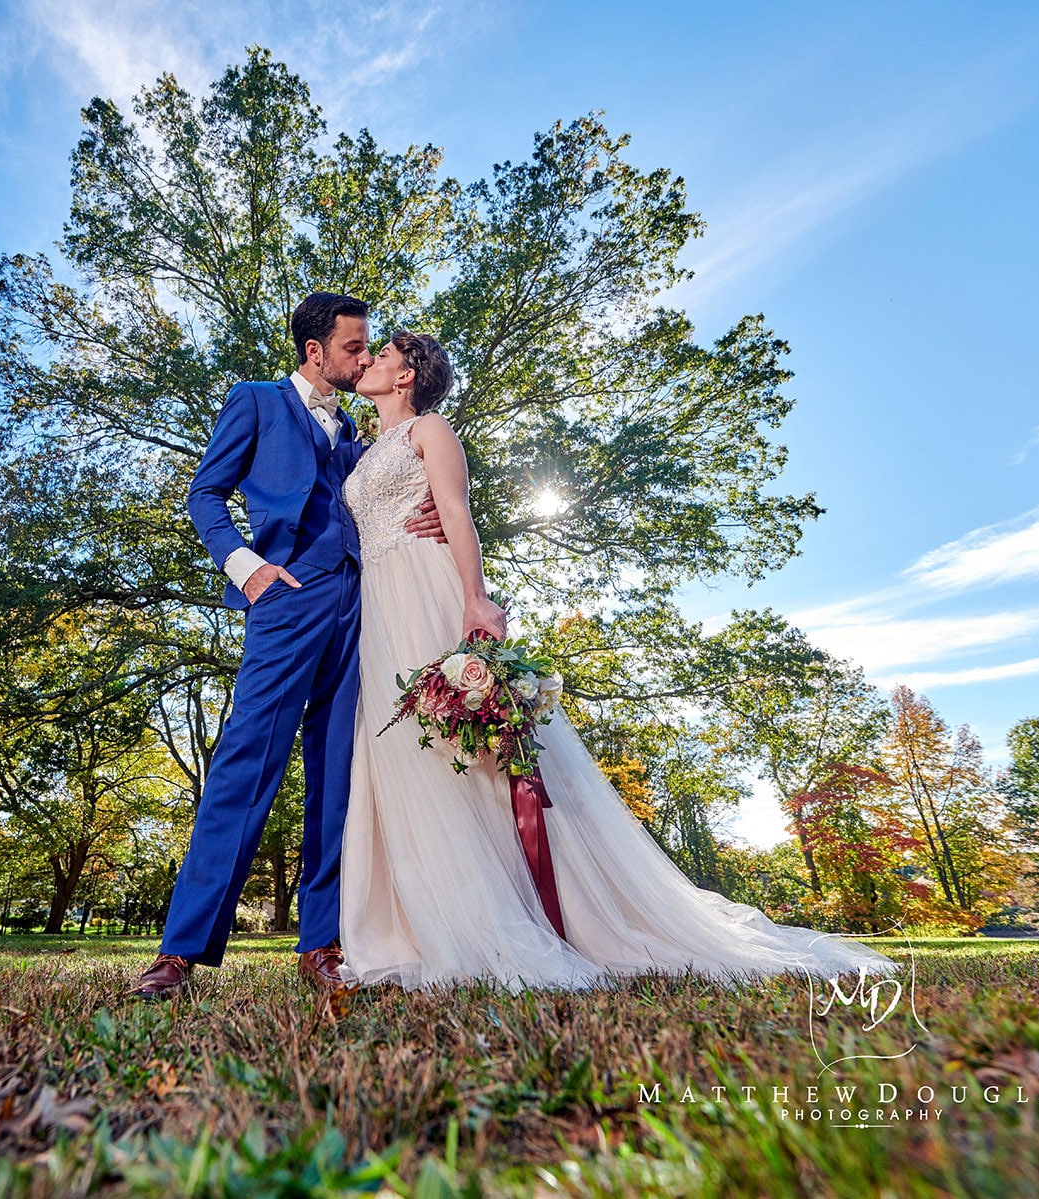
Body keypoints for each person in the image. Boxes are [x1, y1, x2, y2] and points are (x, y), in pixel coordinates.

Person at [336, 329, 897, 990]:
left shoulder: (430, 429)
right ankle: (419, 917)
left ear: (407, 375)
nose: (368, 359)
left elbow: (456, 513)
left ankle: (510, 911)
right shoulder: (366, 446)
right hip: (380, 602)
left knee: (465, 745)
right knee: (404, 753)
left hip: (427, 589)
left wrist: (476, 599)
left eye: (383, 354)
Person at [128, 293, 444, 1000]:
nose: (365, 359)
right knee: (246, 760)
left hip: (361, 610)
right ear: (314, 351)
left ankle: (322, 942)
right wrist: (249, 570)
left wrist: (433, 514)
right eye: (355, 347)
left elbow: (394, 490)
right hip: (285, 600)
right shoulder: (256, 401)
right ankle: (179, 950)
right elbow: (205, 493)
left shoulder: (360, 433)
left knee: (339, 777)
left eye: (370, 350)